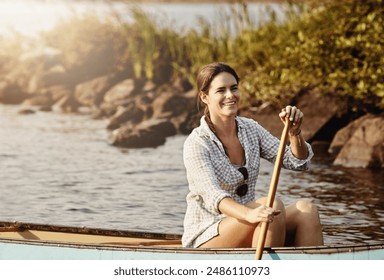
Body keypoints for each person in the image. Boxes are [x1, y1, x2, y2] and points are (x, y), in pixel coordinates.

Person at [182, 62, 323, 248]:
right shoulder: (197, 142)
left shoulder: (250, 129)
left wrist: (294, 133)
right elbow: (213, 196)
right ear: (204, 96)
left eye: (234, 88)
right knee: (272, 205)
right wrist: (250, 214)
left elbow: (296, 162)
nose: (230, 96)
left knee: (308, 211)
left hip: (251, 221)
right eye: (221, 91)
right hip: (208, 233)